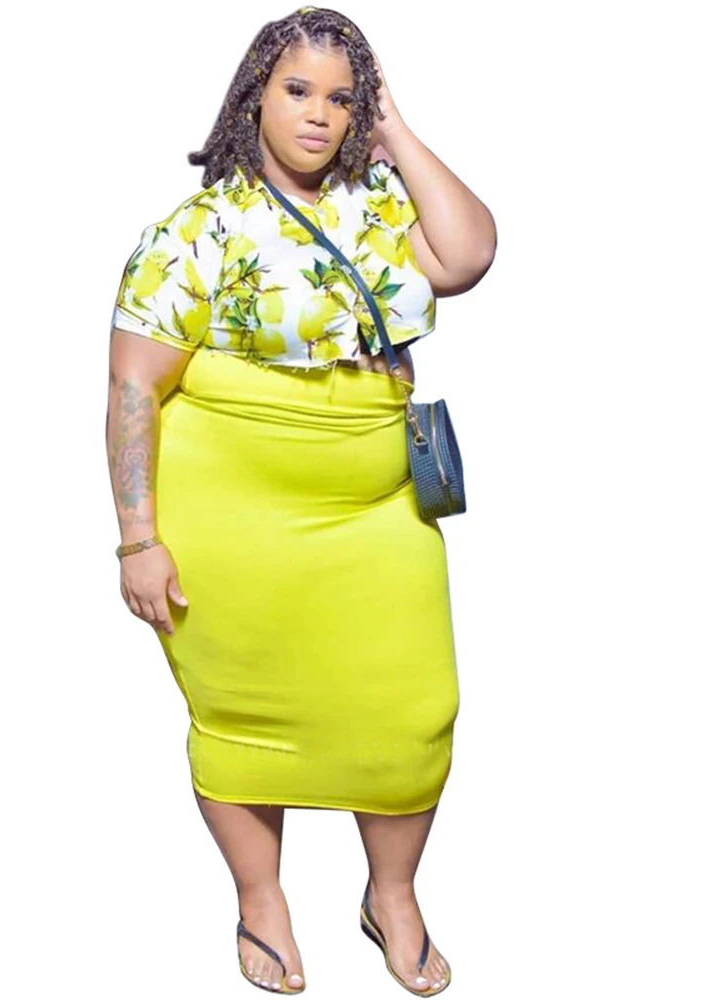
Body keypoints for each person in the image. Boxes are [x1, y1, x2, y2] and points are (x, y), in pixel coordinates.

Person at [105, 5, 496, 996]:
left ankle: (391, 895)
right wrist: (138, 537)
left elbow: (469, 255)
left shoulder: (383, 211)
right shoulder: (193, 230)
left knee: (412, 708)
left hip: (377, 510)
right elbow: (132, 386)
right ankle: (260, 898)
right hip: (230, 518)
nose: (320, 113)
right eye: (297, 89)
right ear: (255, 96)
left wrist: (396, 129)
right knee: (245, 713)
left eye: (343, 97)